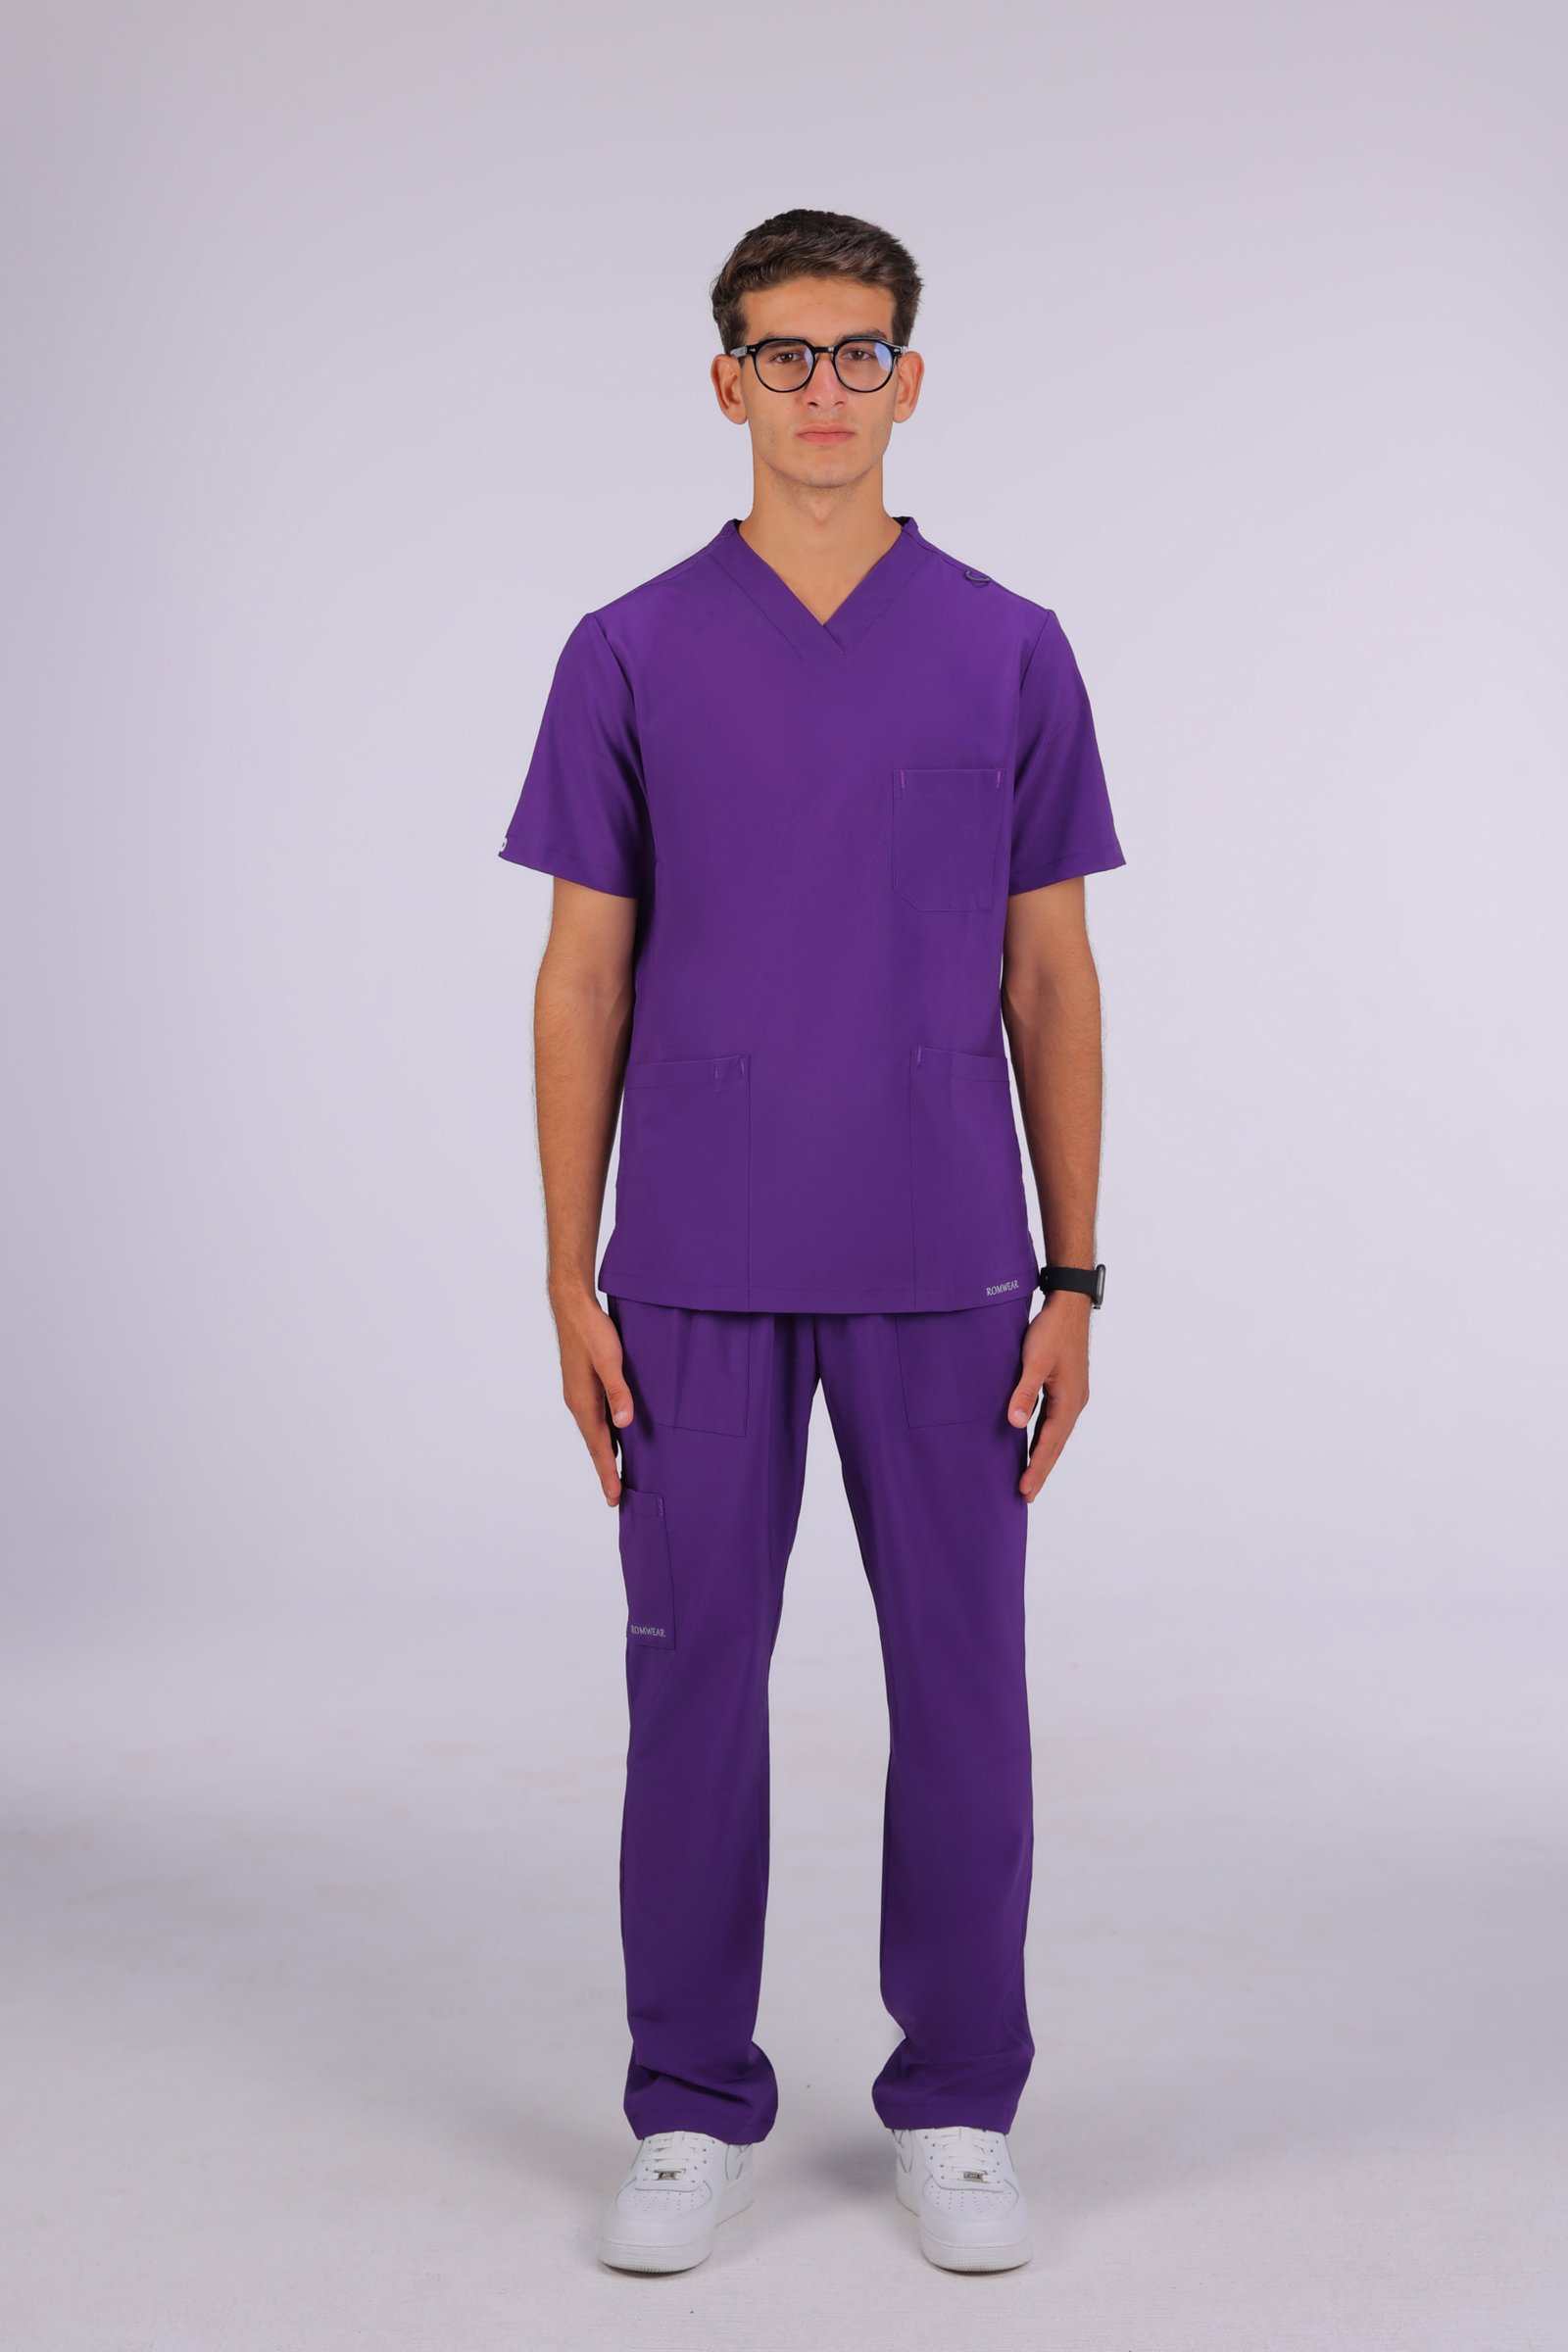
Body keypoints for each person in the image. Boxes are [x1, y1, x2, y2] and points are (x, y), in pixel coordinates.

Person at [496, 207, 1126, 2276]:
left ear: (909, 380)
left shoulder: (1006, 646)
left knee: (964, 1691)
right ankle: (688, 2105)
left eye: (861, 354)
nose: (824, 390)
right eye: (785, 354)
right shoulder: (630, 651)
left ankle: (958, 2102)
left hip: (948, 1263)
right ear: (726, 383)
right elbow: (582, 976)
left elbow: (1051, 977)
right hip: (691, 1264)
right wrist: (568, 1276)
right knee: (690, 1691)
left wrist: (1074, 1276)